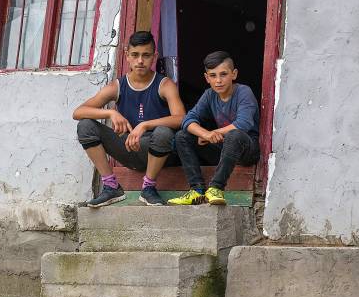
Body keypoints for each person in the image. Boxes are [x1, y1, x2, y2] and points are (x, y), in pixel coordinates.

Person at [73, 31, 186, 207]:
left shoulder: (164, 84)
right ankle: (111, 187)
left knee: (164, 132)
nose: (140, 61)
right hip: (128, 148)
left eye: (146, 55)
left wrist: (145, 125)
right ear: (127, 55)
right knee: (85, 125)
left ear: (154, 56)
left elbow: (181, 119)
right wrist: (111, 113)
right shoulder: (118, 85)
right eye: (135, 55)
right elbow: (78, 112)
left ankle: (148, 188)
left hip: (158, 151)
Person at [169, 51, 260, 206]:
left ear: (234, 74)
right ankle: (196, 190)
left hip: (247, 149)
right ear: (206, 78)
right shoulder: (209, 95)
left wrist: (212, 133)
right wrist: (204, 133)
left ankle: (216, 188)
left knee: (234, 135)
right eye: (213, 75)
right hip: (223, 147)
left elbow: (243, 124)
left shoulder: (244, 92)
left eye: (223, 74)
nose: (218, 80)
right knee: (182, 136)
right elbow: (188, 120)